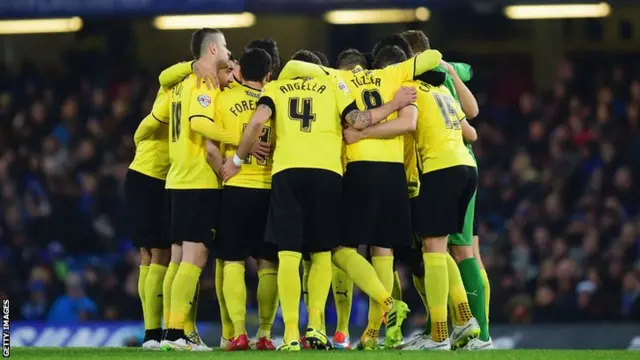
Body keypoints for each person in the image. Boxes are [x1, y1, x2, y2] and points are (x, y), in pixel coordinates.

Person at [220, 50, 416, 351]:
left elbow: (258, 122)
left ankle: (288, 335)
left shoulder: (276, 88)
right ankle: (316, 327)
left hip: (288, 172)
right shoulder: (334, 84)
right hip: (327, 173)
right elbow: (360, 120)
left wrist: (236, 159)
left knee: (288, 255)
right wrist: (395, 104)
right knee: (323, 252)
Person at [277, 40, 441, 350]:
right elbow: (432, 57)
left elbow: (292, 68)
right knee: (383, 252)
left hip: (356, 169)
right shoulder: (393, 76)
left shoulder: (337, 81)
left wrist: (323, 70)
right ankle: (373, 334)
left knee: (339, 247)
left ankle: (349, 323)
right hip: (393, 172)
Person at [401, 29, 491, 350]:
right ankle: (462, 329)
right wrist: (453, 70)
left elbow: (473, 118)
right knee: (452, 249)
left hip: (443, 166)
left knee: (454, 250)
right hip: (464, 164)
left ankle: (468, 333)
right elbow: (472, 129)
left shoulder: (414, 84)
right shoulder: (445, 79)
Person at [129, 55, 220, 349]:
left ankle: (158, 333)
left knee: (160, 256)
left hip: (159, 176)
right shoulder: (182, 88)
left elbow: (164, 76)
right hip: (152, 175)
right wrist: (142, 137)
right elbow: (146, 126)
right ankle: (159, 332)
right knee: (160, 256)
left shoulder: (178, 87)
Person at [159, 27, 233, 351]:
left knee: (178, 258)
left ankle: (176, 332)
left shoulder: (178, 84)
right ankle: (175, 332)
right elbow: (199, 123)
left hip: (177, 178)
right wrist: (238, 138)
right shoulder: (203, 83)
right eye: (226, 47)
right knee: (196, 255)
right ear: (213, 50)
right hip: (196, 178)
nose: (230, 53)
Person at [214, 48, 277, 351]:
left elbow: (210, 147)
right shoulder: (275, 99)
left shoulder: (224, 98)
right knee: (269, 264)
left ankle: (238, 332)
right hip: (268, 188)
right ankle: (264, 335)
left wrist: (226, 170)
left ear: (240, 72)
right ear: (268, 75)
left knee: (233, 261)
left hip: (236, 187)